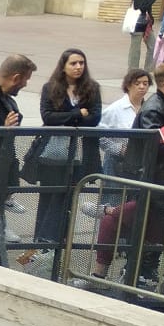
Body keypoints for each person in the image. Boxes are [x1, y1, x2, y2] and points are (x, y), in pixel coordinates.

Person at [33, 48, 102, 250]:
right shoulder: (50, 88)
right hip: (52, 153)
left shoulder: (92, 88)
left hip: (80, 153)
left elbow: (95, 118)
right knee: (48, 195)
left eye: (81, 63)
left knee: (68, 197)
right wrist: (77, 113)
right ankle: (40, 242)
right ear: (63, 66)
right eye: (73, 63)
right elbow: (48, 118)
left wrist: (69, 117)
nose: (78, 67)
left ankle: (59, 241)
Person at [127, 0, 157, 69]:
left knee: (153, 46)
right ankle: (133, 70)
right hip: (138, 24)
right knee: (135, 49)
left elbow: (148, 9)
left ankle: (148, 69)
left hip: (147, 25)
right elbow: (139, 8)